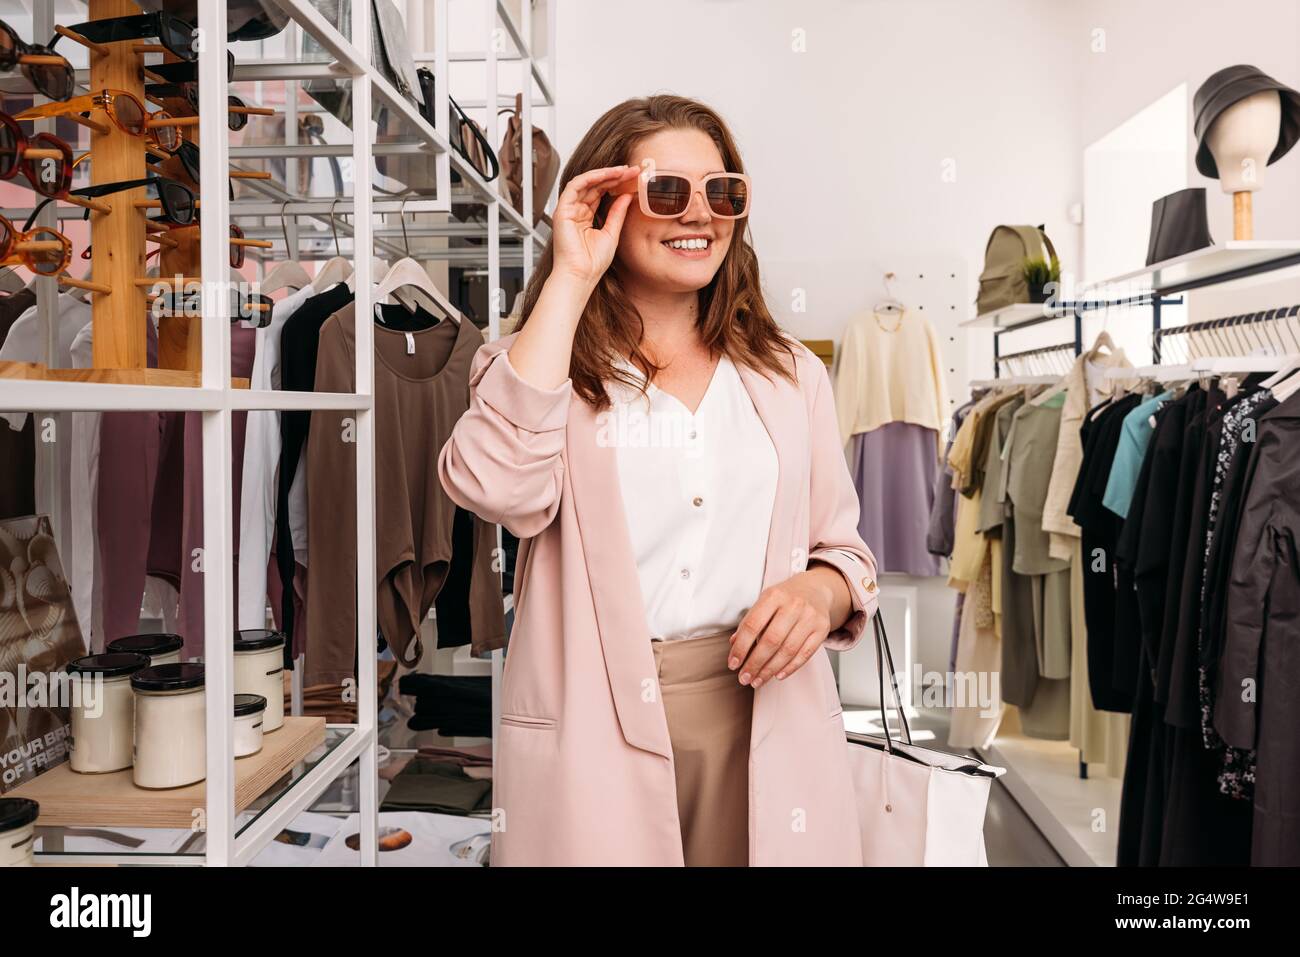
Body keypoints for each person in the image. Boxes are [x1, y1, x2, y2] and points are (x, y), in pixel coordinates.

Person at [438, 94, 879, 866]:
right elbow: (493, 486)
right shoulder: (545, 367)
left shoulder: (790, 376)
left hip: (763, 711)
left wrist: (821, 592)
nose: (700, 214)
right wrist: (572, 276)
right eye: (666, 190)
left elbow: (845, 552)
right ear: (607, 202)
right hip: (596, 722)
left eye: (723, 192)